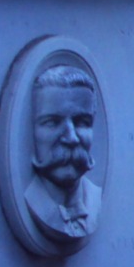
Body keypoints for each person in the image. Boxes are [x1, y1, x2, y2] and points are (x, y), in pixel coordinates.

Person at [24, 64, 102, 242]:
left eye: (82, 122)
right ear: (31, 131)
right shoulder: (29, 200)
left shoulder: (95, 197)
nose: (71, 138)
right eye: (52, 122)